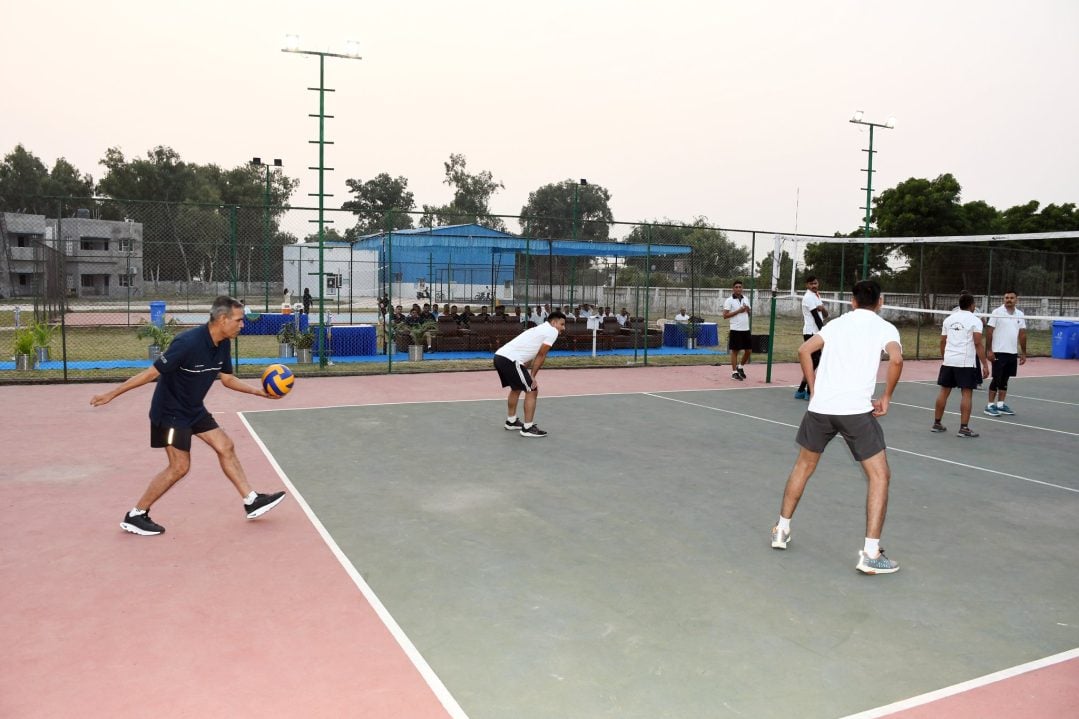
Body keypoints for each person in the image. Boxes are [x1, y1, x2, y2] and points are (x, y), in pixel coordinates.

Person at [90, 296, 287, 536]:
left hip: (193, 409)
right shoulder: (187, 342)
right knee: (179, 467)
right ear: (223, 319)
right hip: (170, 413)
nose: (242, 325)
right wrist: (111, 394)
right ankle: (136, 514)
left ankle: (251, 500)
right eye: (239, 320)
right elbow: (151, 373)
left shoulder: (223, 342)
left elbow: (227, 379)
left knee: (225, 445)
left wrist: (260, 393)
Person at [771, 279, 904, 575]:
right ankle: (871, 553)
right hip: (855, 412)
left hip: (821, 410)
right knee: (880, 476)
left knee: (803, 467)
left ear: (853, 301)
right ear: (879, 302)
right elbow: (896, 359)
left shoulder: (836, 325)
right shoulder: (885, 328)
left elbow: (804, 350)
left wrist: (815, 389)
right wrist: (887, 397)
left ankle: (781, 529)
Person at [493, 310, 567, 438]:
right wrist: (532, 376)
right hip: (510, 359)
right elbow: (541, 355)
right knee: (532, 390)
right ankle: (527, 428)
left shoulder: (540, 329)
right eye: (562, 324)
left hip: (500, 357)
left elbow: (529, 351)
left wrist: (525, 370)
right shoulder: (552, 331)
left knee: (516, 388)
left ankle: (511, 421)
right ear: (554, 323)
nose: (563, 328)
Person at [932, 293, 990, 438]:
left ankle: (937, 423)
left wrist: (945, 357)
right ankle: (964, 428)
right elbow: (977, 343)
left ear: (960, 304)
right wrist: (985, 364)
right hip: (965, 363)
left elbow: (942, 341)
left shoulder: (948, 319)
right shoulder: (975, 321)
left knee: (944, 391)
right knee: (966, 393)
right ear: (972, 305)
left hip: (949, 361)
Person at [984, 290, 1027, 417]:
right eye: (1006, 298)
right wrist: (989, 350)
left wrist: (1023, 353)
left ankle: (1001, 405)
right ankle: (990, 405)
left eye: (1011, 298)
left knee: (1005, 379)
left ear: (1016, 299)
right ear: (1003, 299)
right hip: (998, 352)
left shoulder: (1020, 314)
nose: (1009, 300)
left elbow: (1023, 334)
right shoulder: (997, 312)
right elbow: (989, 332)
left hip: (1012, 353)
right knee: (996, 379)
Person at [795, 276, 829, 400]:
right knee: (814, 360)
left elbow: (825, 315)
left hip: (816, 332)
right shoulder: (808, 297)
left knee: (815, 361)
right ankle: (809, 391)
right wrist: (825, 332)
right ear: (807, 285)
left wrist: (823, 308)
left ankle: (801, 390)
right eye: (811, 284)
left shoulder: (816, 296)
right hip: (810, 332)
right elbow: (815, 317)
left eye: (815, 283)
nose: (814, 285)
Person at [722, 280, 752, 381]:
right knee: (735, 351)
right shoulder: (729, 300)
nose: (738, 289)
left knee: (748, 351)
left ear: (742, 288)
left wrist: (748, 310)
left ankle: (740, 367)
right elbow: (725, 316)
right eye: (736, 287)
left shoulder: (746, 299)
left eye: (740, 287)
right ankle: (734, 372)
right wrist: (738, 311)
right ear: (733, 288)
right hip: (735, 329)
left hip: (746, 329)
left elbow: (749, 313)